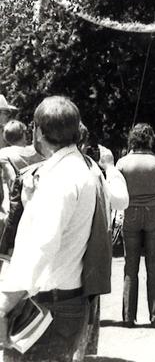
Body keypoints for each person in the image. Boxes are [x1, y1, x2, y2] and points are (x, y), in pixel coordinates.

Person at [0, 96, 98, 361]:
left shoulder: (59, 178)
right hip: (65, 301)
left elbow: (43, 246)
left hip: (46, 306)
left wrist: (4, 306)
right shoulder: (80, 168)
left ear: (38, 131)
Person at [74, 125, 129, 360]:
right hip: (88, 257)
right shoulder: (91, 168)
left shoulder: (43, 167)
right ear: (84, 143)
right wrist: (111, 166)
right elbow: (120, 200)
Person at [116, 123, 155, 328]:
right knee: (153, 267)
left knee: (131, 268)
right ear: (149, 139)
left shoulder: (122, 163)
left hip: (130, 214)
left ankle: (128, 318)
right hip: (154, 214)